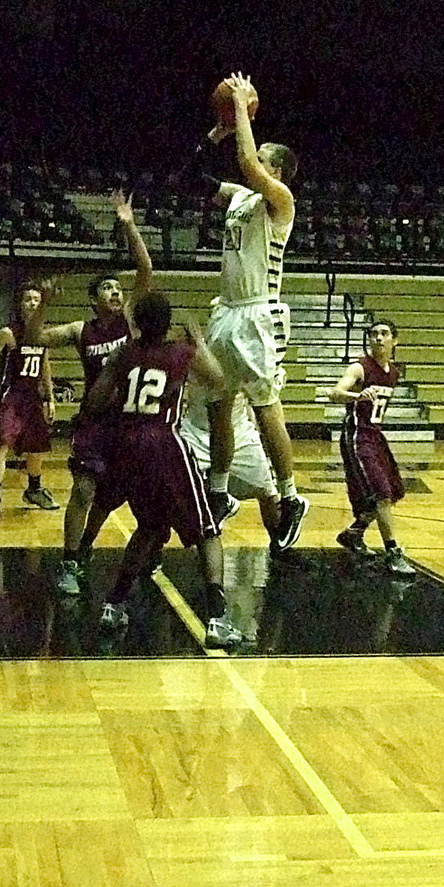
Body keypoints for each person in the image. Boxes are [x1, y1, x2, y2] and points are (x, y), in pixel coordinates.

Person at [85, 290, 240, 648]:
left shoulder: (123, 353)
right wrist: (198, 341)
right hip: (164, 443)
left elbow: (94, 402)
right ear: (168, 323)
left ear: (136, 323)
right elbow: (218, 380)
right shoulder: (180, 352)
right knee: (208, 529)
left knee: (152, 527)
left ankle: (113, 603)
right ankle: (217, 618)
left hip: (125, 446)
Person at [202, 73, 308, 552]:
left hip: (257, 313)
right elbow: (193, 178)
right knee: (218, 404)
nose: (254, 159)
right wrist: (217, 133)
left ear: (277, 173)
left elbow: (247, 163)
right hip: (226, 311)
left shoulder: (279, 201)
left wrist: (242, 107)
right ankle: (220, 491)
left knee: (265, 406)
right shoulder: (241, 197)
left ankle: (290, 497)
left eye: (266, 159)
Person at [37, 190, 152, 594]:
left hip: (130, 421)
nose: (116, 293)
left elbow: (145, 269)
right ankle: (69, 562)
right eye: (107, 289)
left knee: (121, 497)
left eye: (118, 289)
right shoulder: (80, 330)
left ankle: (101, 552)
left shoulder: (132, 324)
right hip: (95, 421)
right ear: (93, 299)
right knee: (83, 490)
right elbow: (36, 337)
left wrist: (128, 224)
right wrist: (41, 303)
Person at [328, 319, 416, 575]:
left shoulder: (394, 373)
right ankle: (393, 552)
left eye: (384, 334)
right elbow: (335, 393)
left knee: (395, 490)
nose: (378, 338)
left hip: (375, 435)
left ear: (394, 341)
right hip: (357, 435)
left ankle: (354, 533)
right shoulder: (360, 368)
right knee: (381, 493)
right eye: (374, 334)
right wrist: (357, 395)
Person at [0, 281, 59, 520]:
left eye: (36, 299)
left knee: (37, 448)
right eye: (28, 299)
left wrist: (50, 398)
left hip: (33, 398)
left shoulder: (43, 334)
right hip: (11, 397)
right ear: (20, 305)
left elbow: (44, 366)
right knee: (3, 444)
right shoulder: (9, 333)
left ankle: (34, 489)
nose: (33, 303)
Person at [180, 382, 280, 540]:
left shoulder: (242, 359)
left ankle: (282, 545)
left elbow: (260, 396)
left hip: (239, 431)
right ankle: (153, 549)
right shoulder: (194, 356)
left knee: (268, 492)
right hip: (195, 430)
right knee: (173, 492)